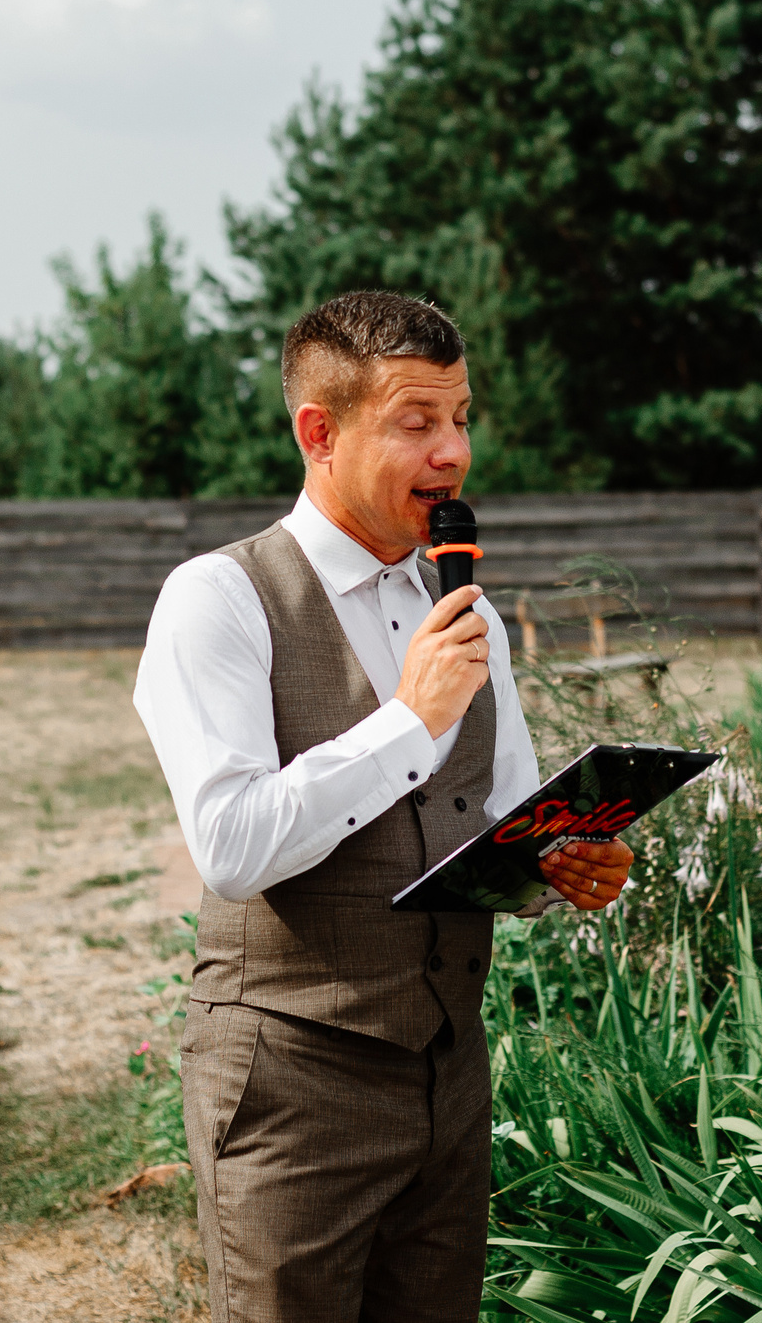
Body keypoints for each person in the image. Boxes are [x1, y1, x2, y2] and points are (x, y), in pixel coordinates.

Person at [133, 291, 634, 1323]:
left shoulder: (465, 610)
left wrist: (562, 866)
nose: (451, 452)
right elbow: (230, 844)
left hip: (448, 1077)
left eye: (459, 418)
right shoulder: (216, 598)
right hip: (290, 1085)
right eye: (416, 422)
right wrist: (408, 718)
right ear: (318, 431)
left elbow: (495, 821)